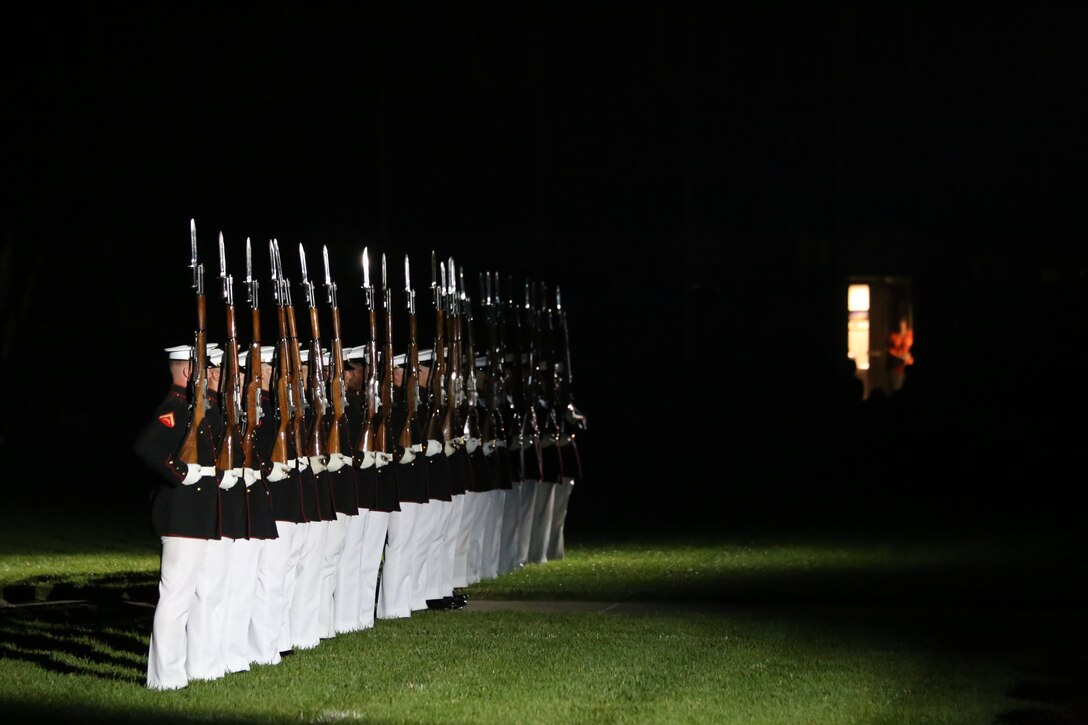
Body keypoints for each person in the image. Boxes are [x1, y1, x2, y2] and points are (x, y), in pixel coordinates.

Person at [135, 343, 222, 691]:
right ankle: (164, 677)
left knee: (191, 595)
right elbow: (147, 448)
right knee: (175, 597)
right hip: (180, 514)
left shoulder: (196, 408)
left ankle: (186, 667)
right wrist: (181, 473)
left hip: (196, 513)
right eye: (204, 369)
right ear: (188, 373)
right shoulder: (175, 407)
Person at [888, 317, 914, 392]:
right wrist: (899, 355)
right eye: (900, 324)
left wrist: (909, 355)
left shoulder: (910, 334)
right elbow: (890, 350)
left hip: (909, 364)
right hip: (898, 366)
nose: (901, 326)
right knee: (897, 388)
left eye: (903, 324)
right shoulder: (893, 336)